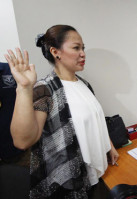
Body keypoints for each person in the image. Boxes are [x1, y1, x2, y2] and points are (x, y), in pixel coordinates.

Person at [4, 25, 119, 198]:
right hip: (70, 184)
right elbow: (22, 141)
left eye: (83, 48)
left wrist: (109, 146)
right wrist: (24, 88)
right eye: (76, 47)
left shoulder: (84, 84)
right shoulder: (45, 89)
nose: (83, 53)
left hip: (97, 175)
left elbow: (95, 119)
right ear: (55, 52)